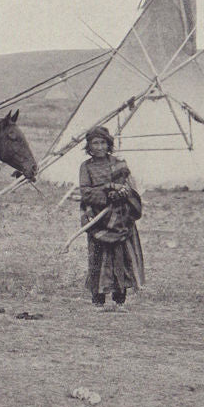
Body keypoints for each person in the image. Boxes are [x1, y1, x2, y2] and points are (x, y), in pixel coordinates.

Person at [78, 126, 145, 308]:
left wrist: (122, 193)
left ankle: (119, 298)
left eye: (103, 143)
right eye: (95, 143)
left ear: (109, 144)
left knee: (121, 257)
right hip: (97, 217)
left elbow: (130, 188)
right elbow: (85, 192)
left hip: (120, 217)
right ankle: (98, 299)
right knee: (98, 257)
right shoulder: (86, 167)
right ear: (89, 146)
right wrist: (108, 191)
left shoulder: (119, 164)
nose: (99, 147)